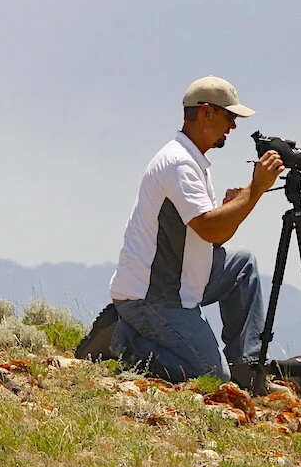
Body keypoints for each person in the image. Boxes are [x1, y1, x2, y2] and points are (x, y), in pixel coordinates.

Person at [101, 76, 285, 385]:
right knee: (213, 378)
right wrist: (255, 189)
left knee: (242, 263)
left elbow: (215, 237)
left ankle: (247, 368)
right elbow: (210, 229)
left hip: (181, 282)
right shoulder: (179, 164)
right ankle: (124, 341)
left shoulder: (194, 161)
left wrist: (237, 204)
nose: (233, 127)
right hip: (153, 297)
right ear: (205, 112)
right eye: (229, 116)